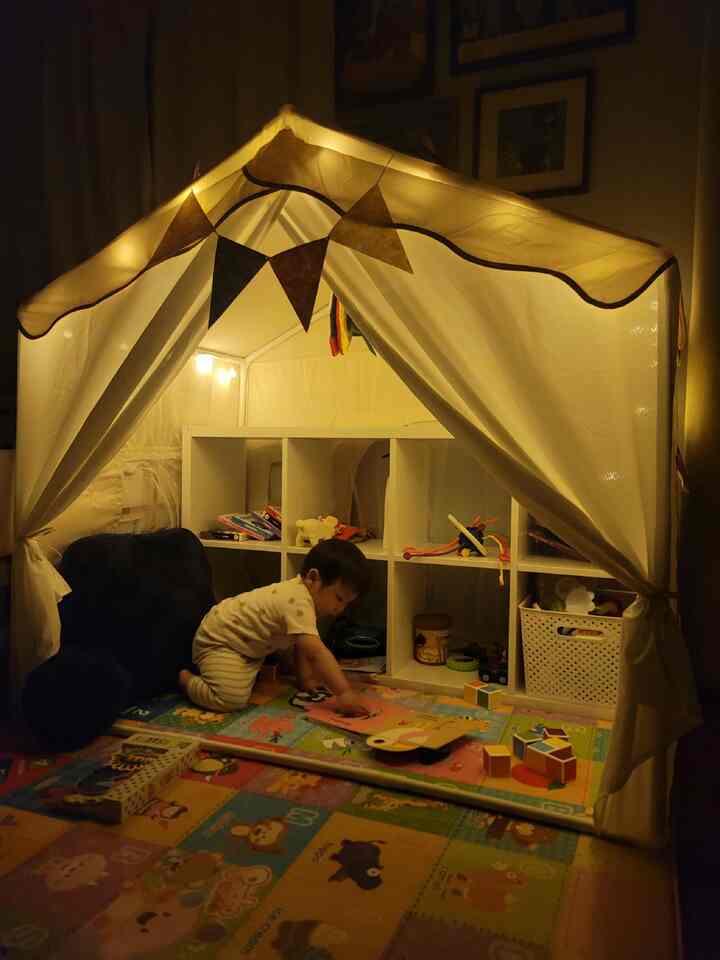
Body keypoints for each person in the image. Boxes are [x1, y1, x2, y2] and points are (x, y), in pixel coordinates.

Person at [179, 539, 371, 717]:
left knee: (274, 671)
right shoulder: (297, 600)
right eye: (338, 598)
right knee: (231, 699)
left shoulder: (305, 598)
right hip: (219, 641)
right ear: (313, 578)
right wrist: (344, 693)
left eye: (346, 603)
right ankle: (186, 680)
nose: (339, 609)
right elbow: (316, 653)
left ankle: (237, 671)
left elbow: (302, 644)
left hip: (246, 646)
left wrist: (305, 680)